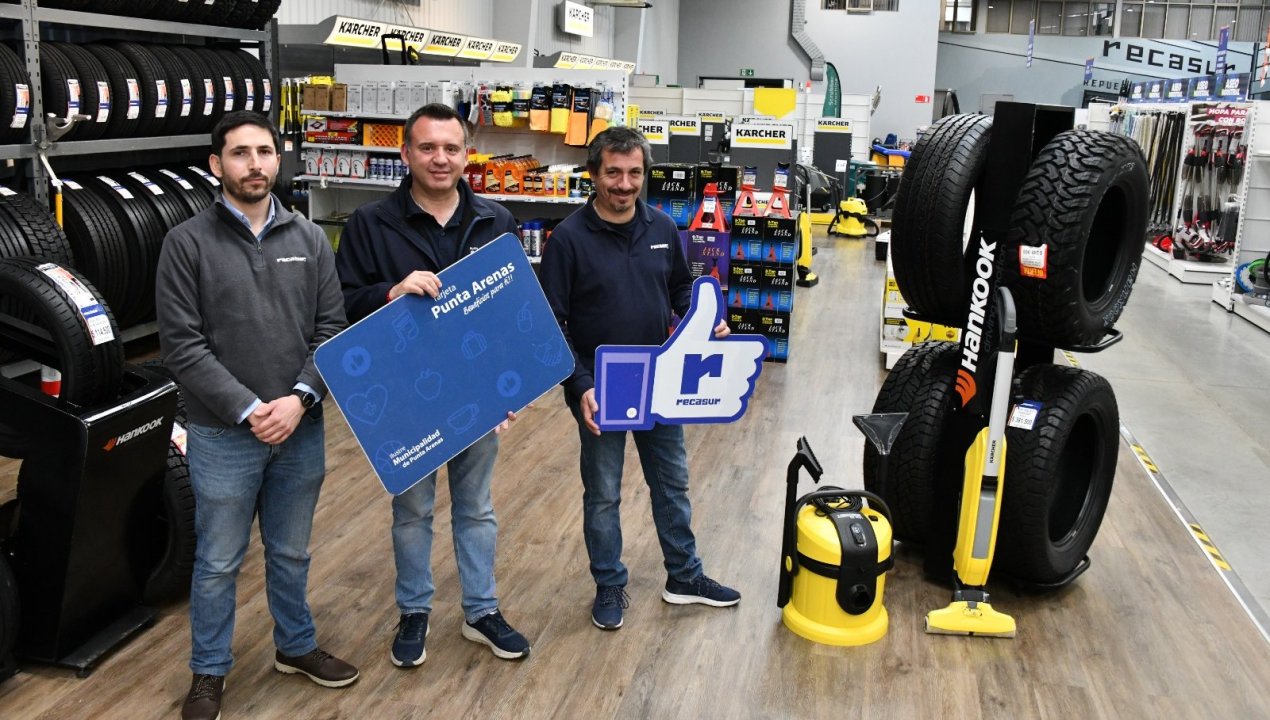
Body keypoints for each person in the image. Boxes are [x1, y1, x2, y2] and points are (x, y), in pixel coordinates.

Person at [156, 111, 356, 720]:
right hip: (223, 435)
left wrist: (300, 399)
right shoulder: (186, 243)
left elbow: (332, 331)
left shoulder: (310, 239)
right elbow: (182, 347)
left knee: (291, 552)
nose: (255, 164)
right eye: (240, 153)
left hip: (300, 427)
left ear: (278, 158)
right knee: (219, 561)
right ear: (216, 164)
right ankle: (208, 671)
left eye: (265, 152)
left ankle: (295, 646)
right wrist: (248, 409)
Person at [335, 103, 530, 666]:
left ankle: (482, 611)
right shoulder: (371, 223)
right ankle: (414, 611)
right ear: (405, 154)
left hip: (476, 392)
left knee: (476, 507)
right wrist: (390, 293)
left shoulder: (496, 219)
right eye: (427, 147)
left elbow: (511, 315)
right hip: (406, 396)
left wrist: (508, 389)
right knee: (412, 510)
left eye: (451, 147)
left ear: (467, 154)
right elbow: (342, 305)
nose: (440, 158)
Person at [537, 126, 741, 631]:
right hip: (600, 385)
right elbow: (551, 324)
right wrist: (579, 384)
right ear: (594, 174)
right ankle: (609, 583)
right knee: (603, 492)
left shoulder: (663, 227)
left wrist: (702, 318)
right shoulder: (568, 240)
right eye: (613, 173)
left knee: (672, 482)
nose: (625, 184)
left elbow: (679, 289)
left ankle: (684, 576)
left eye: (634, 173)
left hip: (660, 378)